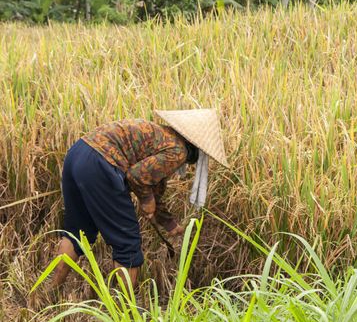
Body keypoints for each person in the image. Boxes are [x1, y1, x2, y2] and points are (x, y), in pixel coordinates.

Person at [50, 109, 229, 290]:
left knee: (77, 232)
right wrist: (146, 201)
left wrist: (169, 224)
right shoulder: (178, 151)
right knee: (127, 244)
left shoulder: (163, 136)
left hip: (78, 154)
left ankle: (52, 291)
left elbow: (154, 184)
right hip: (100, 163)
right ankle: (125, 311)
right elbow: (137, 176)